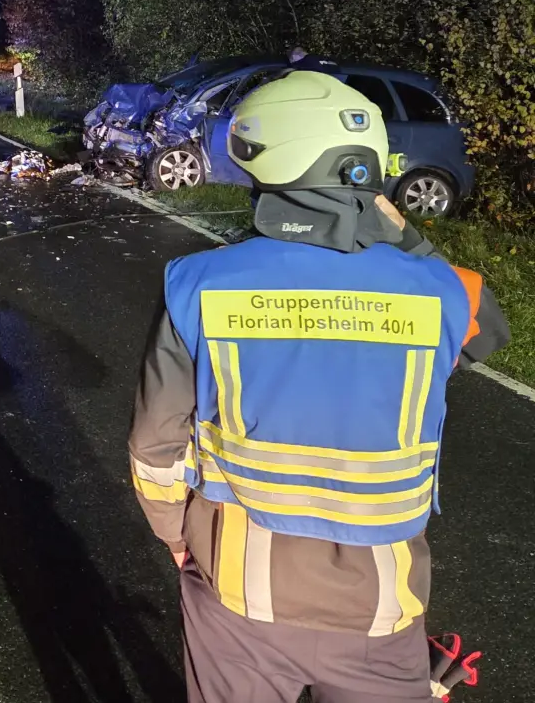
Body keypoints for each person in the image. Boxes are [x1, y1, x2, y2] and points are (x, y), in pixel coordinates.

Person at [128, 70, 510, 703]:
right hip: (381, 608)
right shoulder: (443, 291)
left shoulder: (197, 283)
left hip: (238, 593)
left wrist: (174, 534)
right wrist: (403, 235)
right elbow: (486, 329)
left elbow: (155, 445)